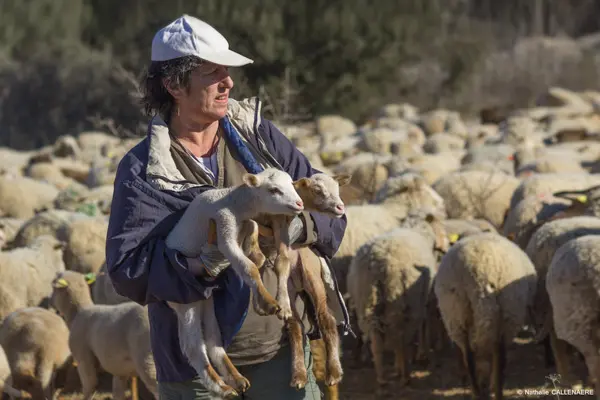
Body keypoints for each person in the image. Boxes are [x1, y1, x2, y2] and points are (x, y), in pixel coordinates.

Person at [105, 14, 350, 399]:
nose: (229, 82)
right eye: (212, 73)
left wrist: (297, 229)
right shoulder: (144, 169)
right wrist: (202, 261)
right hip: (195, 369)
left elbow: (330, 210)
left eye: (228, 71)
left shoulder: (259, 138)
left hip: (279, 355)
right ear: (173, 85)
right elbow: (127, 270)